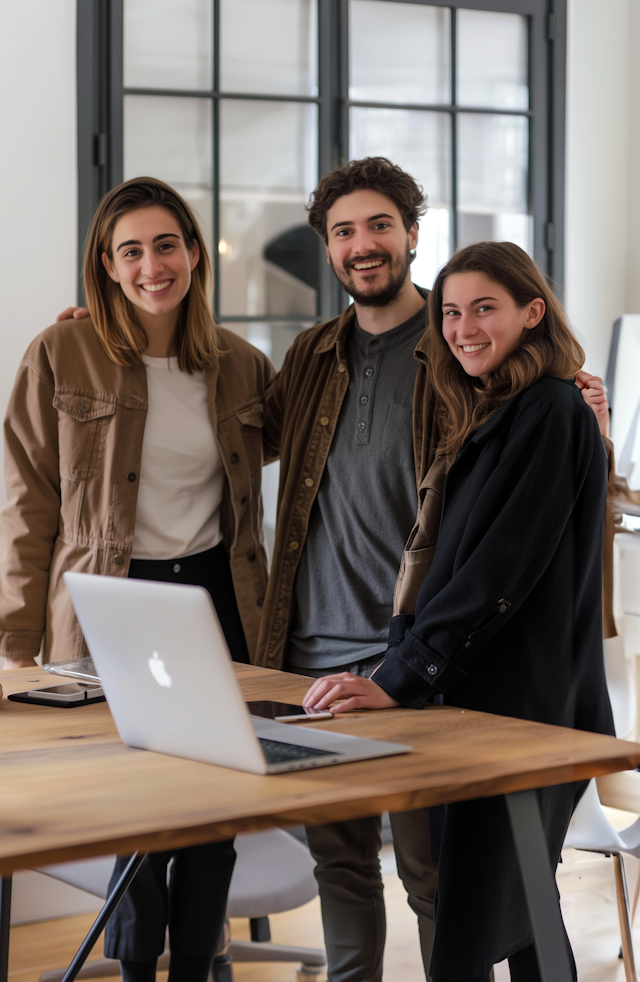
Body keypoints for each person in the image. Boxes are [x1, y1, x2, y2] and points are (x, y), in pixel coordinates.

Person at [53, 158, 610, 982]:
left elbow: (518, 471)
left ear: (413, 233)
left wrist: (577, 402)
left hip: (414, 656)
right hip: (308, 645)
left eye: (379, 225)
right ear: (328, 248)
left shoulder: (458, 352)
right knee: (340, 869)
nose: (363, 245)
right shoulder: (313, 353)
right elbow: (240, 435)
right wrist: (109, 343)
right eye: (343, 231)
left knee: (436, 878)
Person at [304, 240, 615, 981]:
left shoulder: (547, 409)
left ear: (532, 313)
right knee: (517, 912)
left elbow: (495, 571)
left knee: (484, 916)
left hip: (523, 713)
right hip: (488, 702)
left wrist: (397, 677)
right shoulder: (496, 410)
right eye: (450, 312)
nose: (463, 327)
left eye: (485, 308)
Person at [0, 177, 275, 982]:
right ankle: (133, 969)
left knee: (213, 809)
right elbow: (28, 508)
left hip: (216, 604)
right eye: (131, 251)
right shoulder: (60, 353)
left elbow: (303, 456)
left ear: (193, 253)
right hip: (110, 607)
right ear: (107, 266)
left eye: (166, 245)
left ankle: (196, 965)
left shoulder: (242, 366)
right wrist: (15, 642)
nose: (152, 265)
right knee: (137, 805)